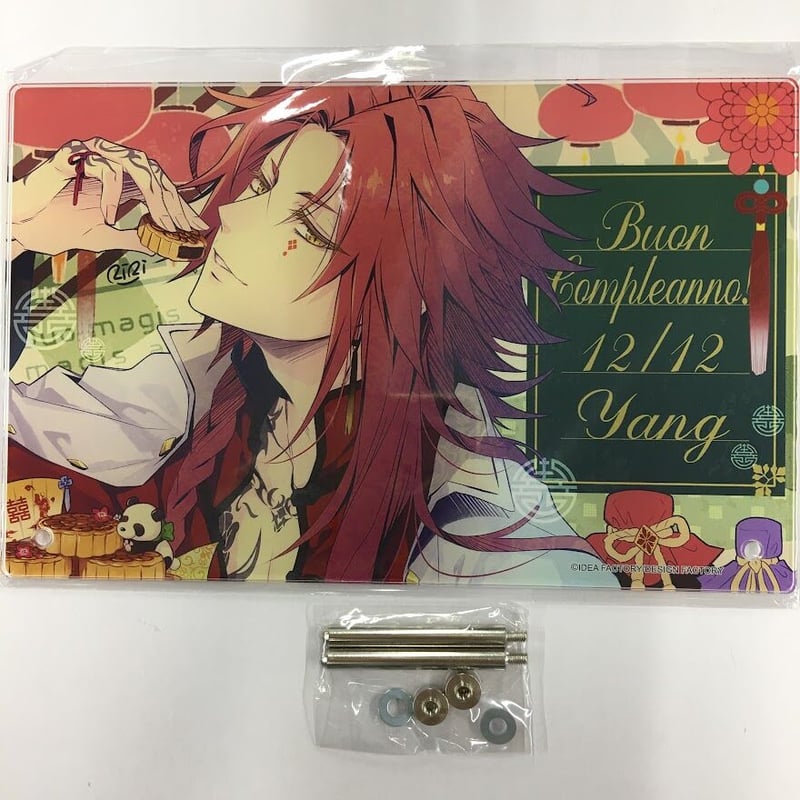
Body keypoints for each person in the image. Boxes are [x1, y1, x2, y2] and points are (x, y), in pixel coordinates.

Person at [8, 84, 616, 586]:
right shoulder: (214, 381)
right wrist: (21, 233)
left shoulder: (482, 532)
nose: (234, 216)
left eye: (307, 222)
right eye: (259, 186)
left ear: (408, 286)